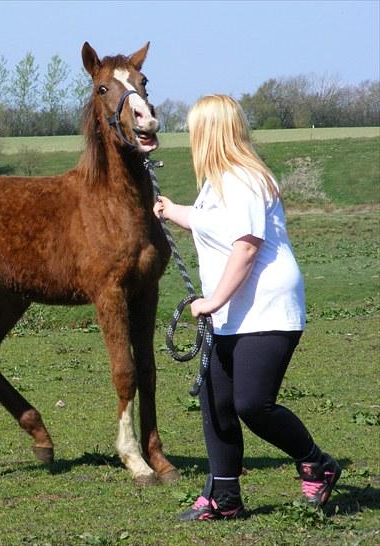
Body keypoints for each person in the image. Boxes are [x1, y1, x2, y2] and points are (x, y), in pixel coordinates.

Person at [153, 94, 340, 521]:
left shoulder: (243, 179)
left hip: (267, 307)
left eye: (194, 128)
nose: (190, 136)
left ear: (210, 132)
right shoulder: (216, 184)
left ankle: (316, 463)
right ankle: (225, 498)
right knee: (216, 402)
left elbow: (246, 247)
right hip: (231, 312)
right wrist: (170, 210)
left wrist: (212, 300)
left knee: (252, 403)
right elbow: (208, 222)